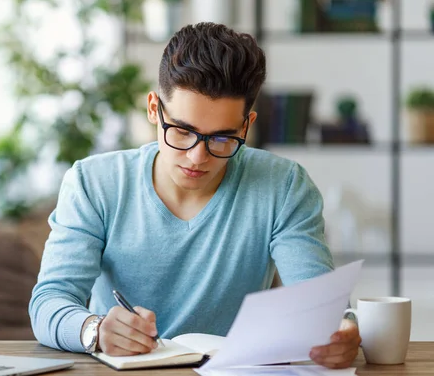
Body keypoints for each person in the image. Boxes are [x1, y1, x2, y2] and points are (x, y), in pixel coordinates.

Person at [29, 22, 361, 369]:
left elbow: (321, 306)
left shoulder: (284, 186)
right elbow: (49, 303)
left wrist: (341, 329)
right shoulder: (94, 183)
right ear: (154, 110)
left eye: (222, 138)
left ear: (246, 125)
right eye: (183, 132)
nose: (197, 157)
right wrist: (93, 330)